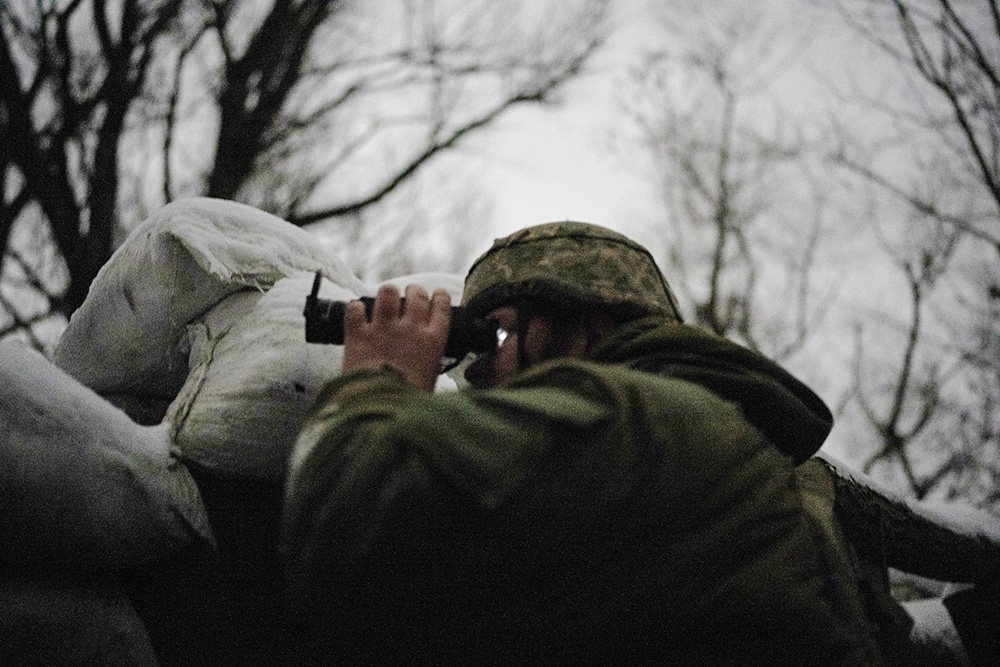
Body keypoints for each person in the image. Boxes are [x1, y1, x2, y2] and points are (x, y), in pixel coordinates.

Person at [281, 222, 911, 665]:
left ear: (593, 327)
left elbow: (347, 512)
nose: (476, 373)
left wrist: (380, 377)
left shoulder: (640, 421)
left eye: (495, 336)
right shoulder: (725, 457)